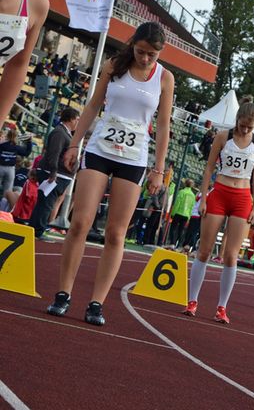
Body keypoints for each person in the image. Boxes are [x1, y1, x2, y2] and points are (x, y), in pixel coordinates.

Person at [46, 22, 174, 326]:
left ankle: (96, 303)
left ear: (159, 53)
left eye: (152, 55)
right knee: (80, 222)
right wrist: (75, 144)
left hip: (134, 157)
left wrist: (159, 169)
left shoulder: (165, 78)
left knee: (116, 233)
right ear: (133, 45)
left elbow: (165, 125)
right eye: (141, 51)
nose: (145, 59)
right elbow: (93, 105)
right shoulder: (113, 65)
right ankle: (63, 294)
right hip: (100, 149)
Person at [183, 95, 254, 324]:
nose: (246, 129)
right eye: (243, 125)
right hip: (219, 192)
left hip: (242, 198)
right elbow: (208, 167)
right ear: (237, 120)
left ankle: (221, 307)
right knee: (204, 251)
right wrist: (204, 198)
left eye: (250, 127)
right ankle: (192, 301)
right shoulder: (222, 136)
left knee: (231, 256)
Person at [28, 108, 80, 237]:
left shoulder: (64, 133)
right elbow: (54, 153)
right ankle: (38, 231)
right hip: (54, 175)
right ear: (71, 119)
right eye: (77, 119)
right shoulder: (60, 133)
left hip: (57, 174)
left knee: (44, 203)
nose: (78, 122)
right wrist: (53, 173)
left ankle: (34, 229)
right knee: (46, 204)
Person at [0, 128, 32, 198]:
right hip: (10, 169)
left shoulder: (2, 145)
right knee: (7, 192)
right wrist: (29, 142)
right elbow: (27, 153)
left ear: (7, 136)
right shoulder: (16, 147)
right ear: (15, 137)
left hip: (1, 167)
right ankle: (3, 207)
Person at [167, 179, 195, 248]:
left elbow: (177, 203)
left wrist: (173, 213)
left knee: (173, 228)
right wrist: (189, 216)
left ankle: (172, 243)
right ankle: (179, 244)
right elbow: (192, 206)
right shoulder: (192, 195)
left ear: (185, 184)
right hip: (186, 214)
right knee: (181, 229)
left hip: (178, 212)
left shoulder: (182, 192)